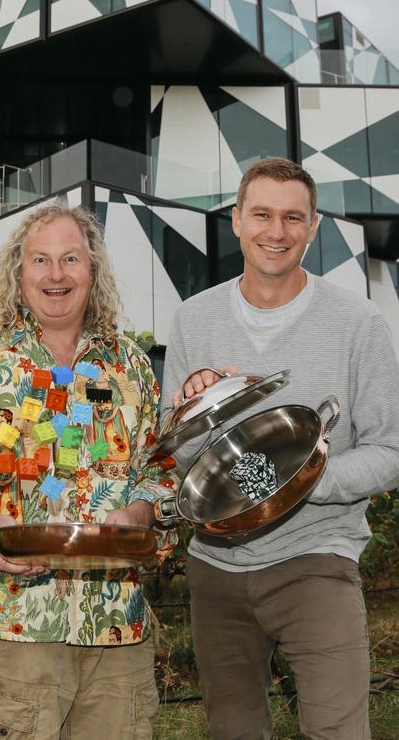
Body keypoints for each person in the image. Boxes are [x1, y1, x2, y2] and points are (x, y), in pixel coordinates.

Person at [0, 199, 177, 740]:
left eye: (71, 260)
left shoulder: (129, 362)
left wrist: (138, 511)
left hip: (116, 623)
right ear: (17, 270)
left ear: (93, 269)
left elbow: (160, 466)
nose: (56, 275)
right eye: (40, 260)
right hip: (9, 618)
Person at [161, 157, 399, 740]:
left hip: (317, 561)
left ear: (313, 227)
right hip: (216, 568)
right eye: (262, 214)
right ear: (237, 220)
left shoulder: (358, 321)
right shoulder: (195, 318)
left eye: (293, 217)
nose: (277, 231)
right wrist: (192, 413)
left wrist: (303, 478)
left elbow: (390, 449)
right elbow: (179, 458)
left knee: (338, 732)